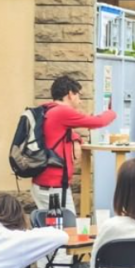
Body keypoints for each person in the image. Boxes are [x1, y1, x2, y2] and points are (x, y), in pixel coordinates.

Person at [33, 76, 116, 216]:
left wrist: (76, 139)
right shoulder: (62, 111)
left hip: (44, 183)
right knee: (69, 230)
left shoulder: (48, 109)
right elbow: (97, 122)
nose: (80, 100)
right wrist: (111, 112)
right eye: (78, 95)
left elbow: (55, 133)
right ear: (70, 94)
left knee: (53, 230)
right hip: (53, 187)